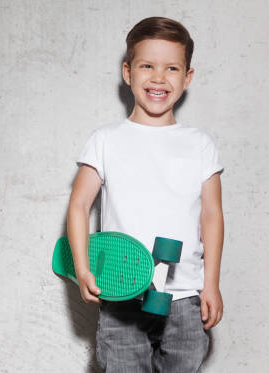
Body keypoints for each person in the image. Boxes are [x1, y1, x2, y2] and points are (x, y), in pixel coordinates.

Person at [65, 16, 224, 372]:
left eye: (171, 68)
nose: (158, 77)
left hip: (185, 295)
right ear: (128, 72)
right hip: (122, 292)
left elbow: (211, 215)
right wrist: (81, 267)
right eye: (147, 66)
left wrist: (210, 283)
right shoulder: (105, 140)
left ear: (188, 77)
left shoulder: (200, 144)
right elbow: (78, 206)